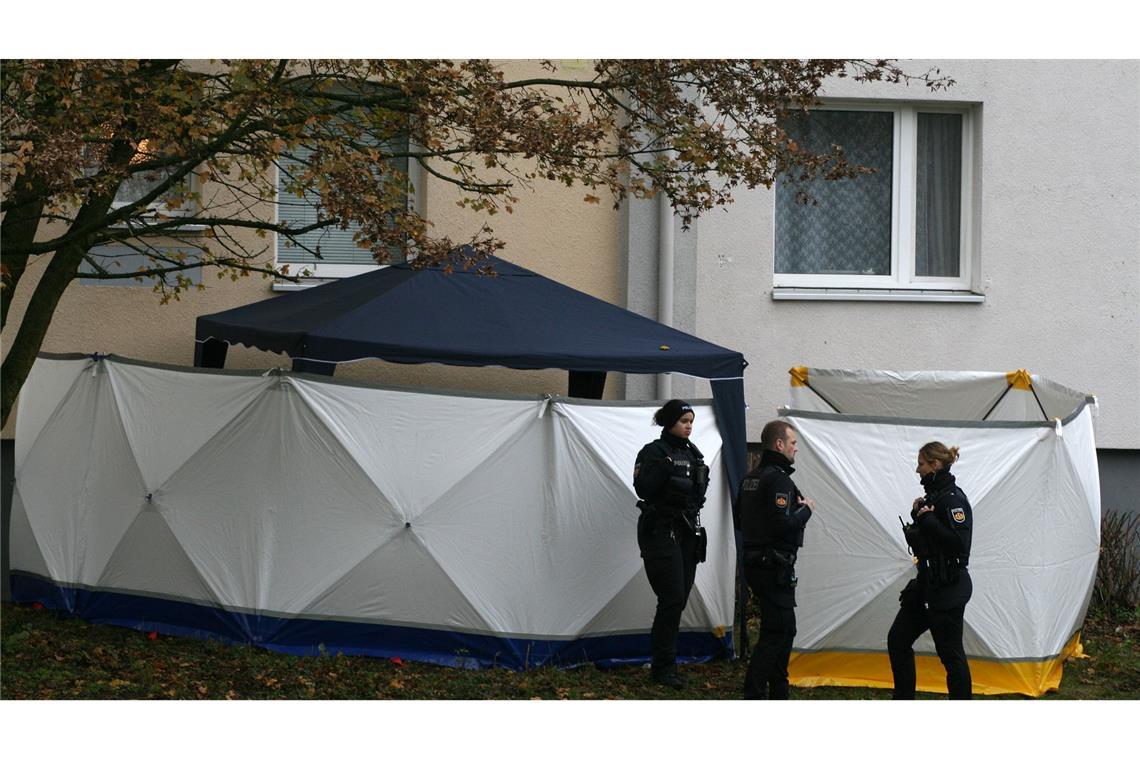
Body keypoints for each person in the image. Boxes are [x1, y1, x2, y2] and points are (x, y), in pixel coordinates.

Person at [633, 399, 710, 688]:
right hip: (660, 531)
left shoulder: (694, 454)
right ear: (669, 423)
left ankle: (666, 663)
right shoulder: (653, 452)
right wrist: (666, 467)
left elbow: (698, 493)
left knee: (678, 600)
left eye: (691, 421)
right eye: (683, 421)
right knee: (672, 597)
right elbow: (643, 488)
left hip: (687, 531)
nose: (689, 426)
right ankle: (663, 667)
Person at [888, 441, 974, 699]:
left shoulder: (953, 499)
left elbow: (960, 545)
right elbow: (930, 541)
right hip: (927, 585)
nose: (917, 470)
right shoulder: (933, 497)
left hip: (948, 588)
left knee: (951, 656)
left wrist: (927, 519)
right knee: (898, 640)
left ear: (935, 465)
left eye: (921, 464)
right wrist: (919, 516)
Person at [738, 420, 814, 699]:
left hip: (756, 563)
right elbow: (782, 525)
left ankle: (779, 690)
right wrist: (806, 510)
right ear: (779, 444)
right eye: (793, 443)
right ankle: (755, 692)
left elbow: (739, 519)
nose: (796, 449)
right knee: (776, 630)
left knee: (786, 627)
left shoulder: (750, 478)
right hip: (773, 566)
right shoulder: (779, 479)